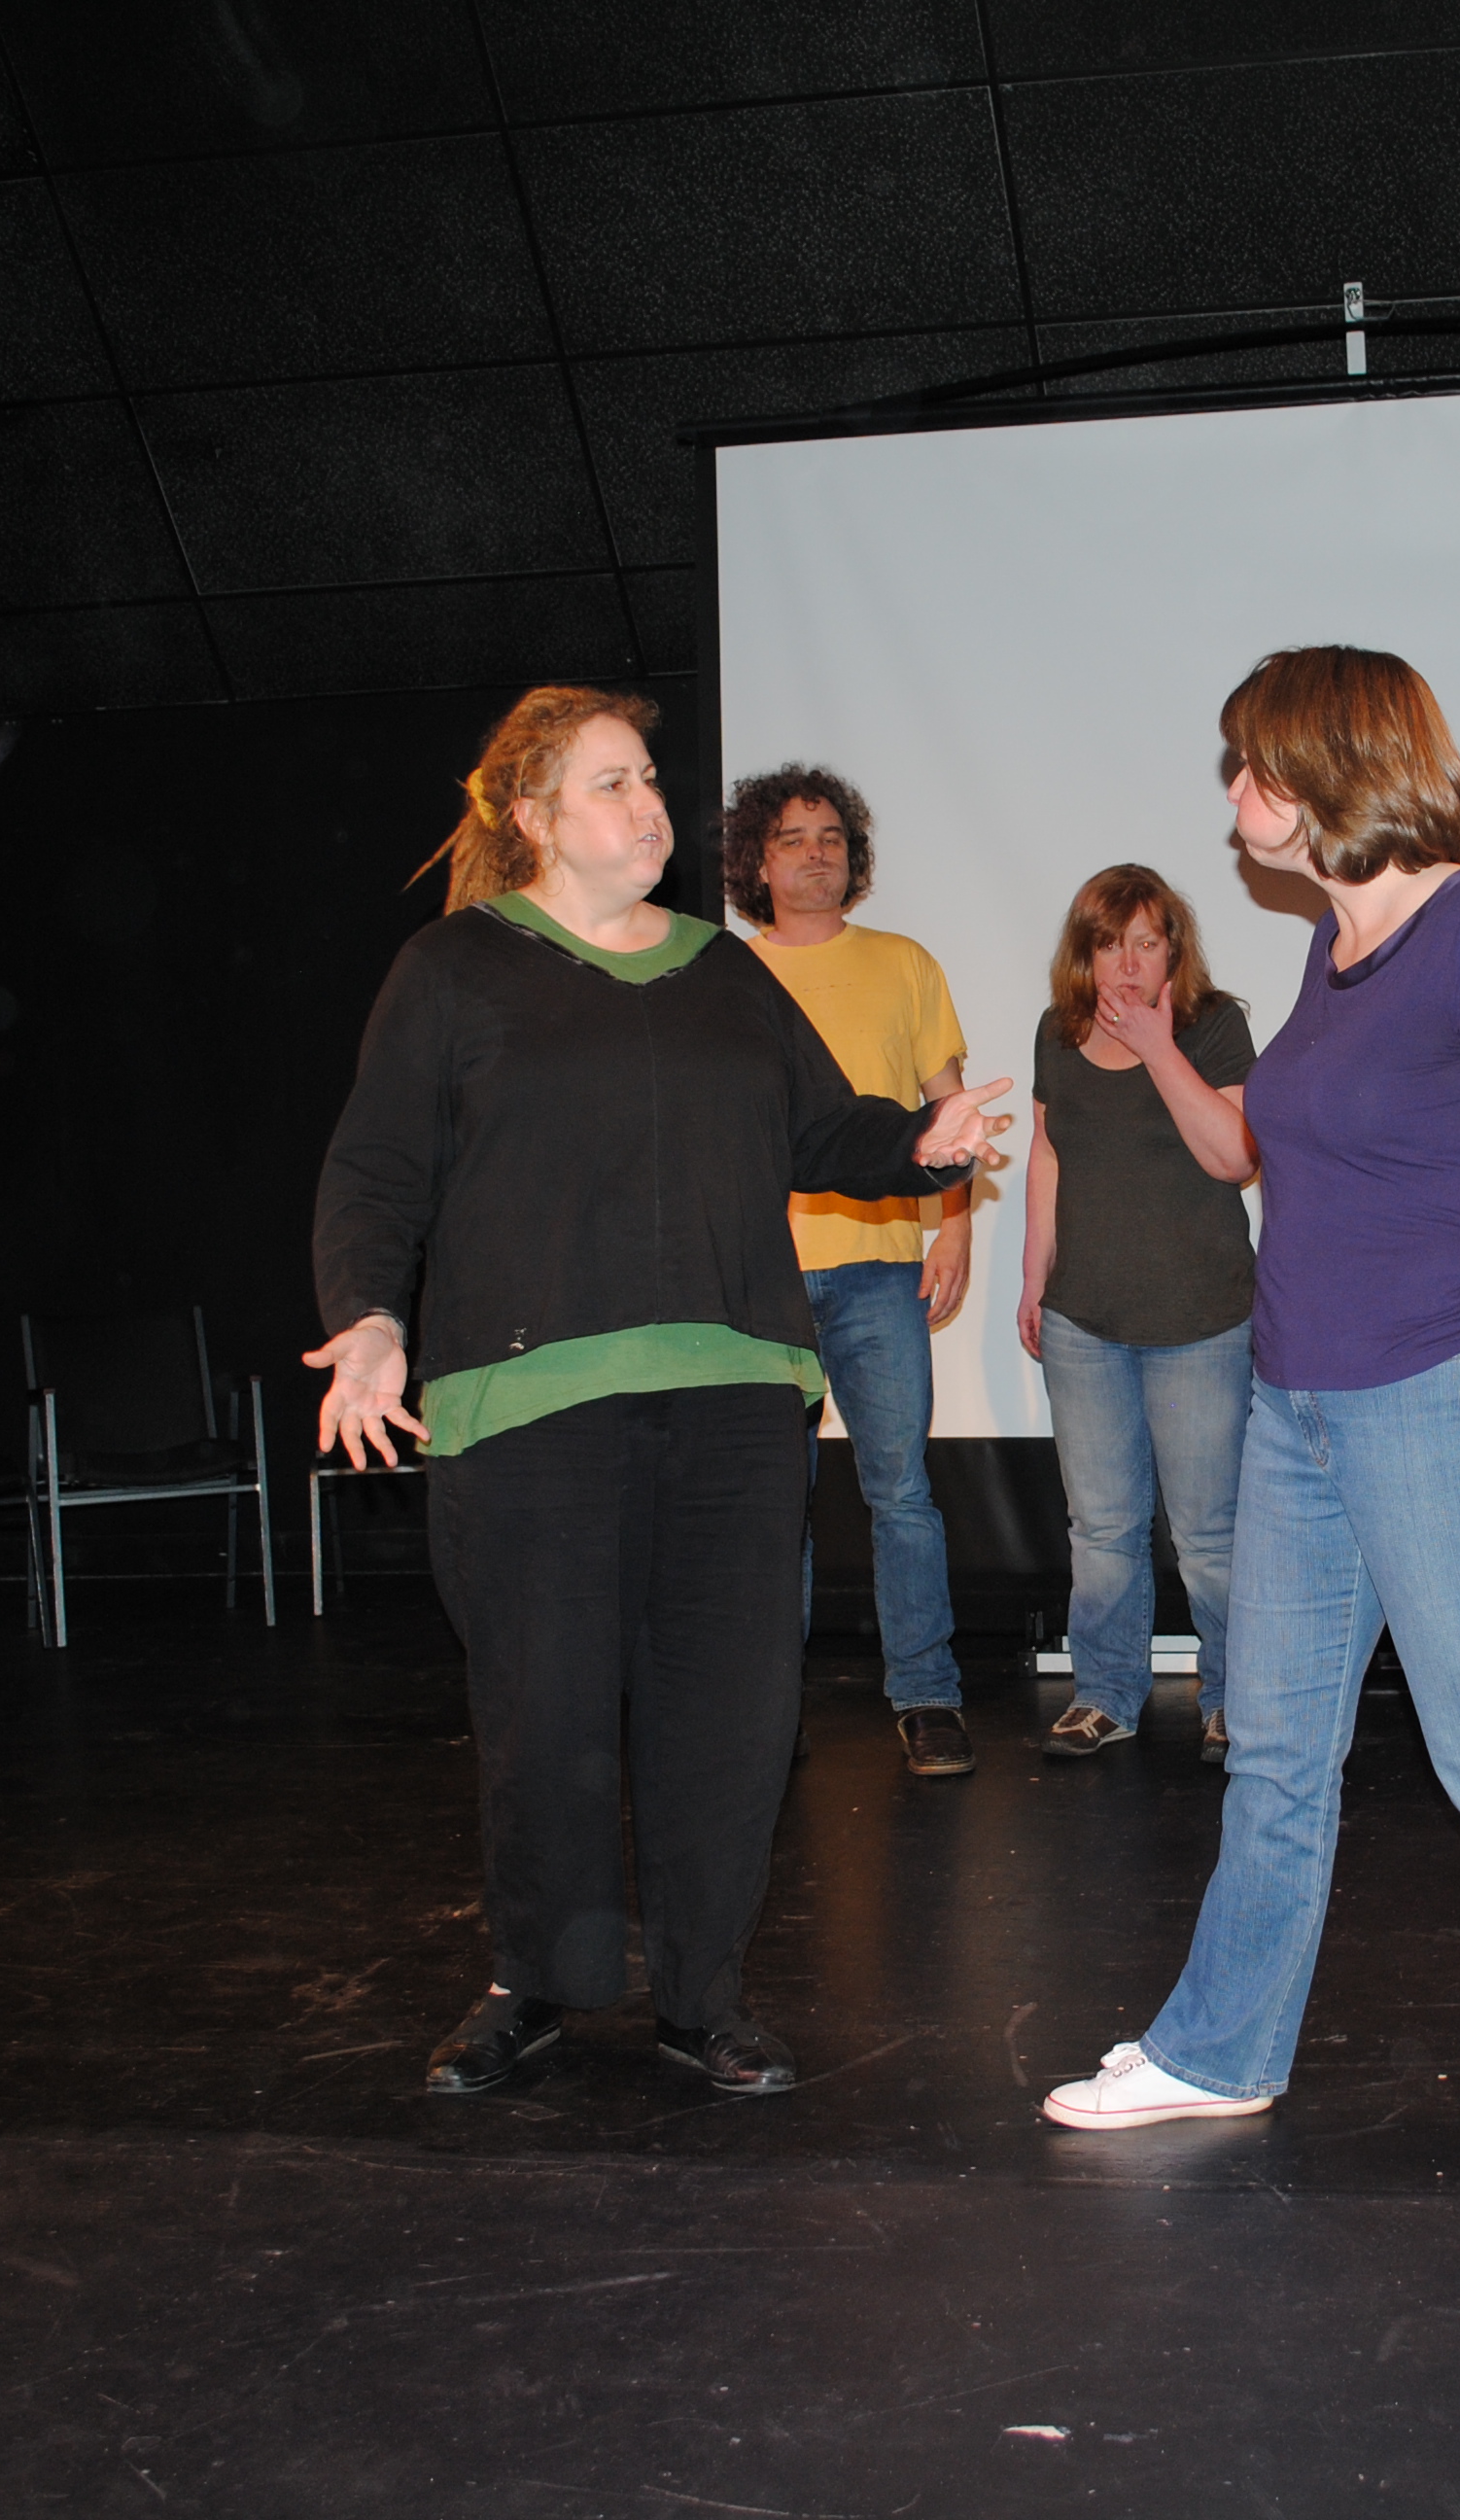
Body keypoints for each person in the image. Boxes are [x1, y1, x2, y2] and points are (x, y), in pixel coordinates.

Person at [307, 688, 1010, 2102]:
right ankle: (534, 1981)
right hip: (527, 1407)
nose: (649, 807)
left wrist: (921, 1147)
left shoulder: (721, 970)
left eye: (647, 779)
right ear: (534, 816)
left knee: (726, 1715)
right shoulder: (454, 969)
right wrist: (370, 1321)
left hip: (735, 1396)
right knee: (545, 1714)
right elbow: (377, 1169)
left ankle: (703, 1996)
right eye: (612, 784)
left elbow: (825, 1128)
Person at [1041, 647, 1460, 2200]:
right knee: (1276, 1756)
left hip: (1443, 1398)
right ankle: (1220, 2050)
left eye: (1256, 764)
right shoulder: (1335, 945)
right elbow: (1276, 1153)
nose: (1238, 791)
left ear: (1335, 767)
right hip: (1295, 1404)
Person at [722, 767, 980, 1780]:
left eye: (830, 836)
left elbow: (951, 1116)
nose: (815, 853)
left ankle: (927, 1699)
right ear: (757, 862)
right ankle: (766, 1713)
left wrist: (954, 1229)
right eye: (791, 839)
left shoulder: (903, 963)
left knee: (901, 1493)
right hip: (762, 1282)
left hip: (880, 1272)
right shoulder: (726, 975)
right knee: (768, 1507)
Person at [1014, 866, 1261, 1762]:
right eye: (1109, 944)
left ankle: (1233, 1700)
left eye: (1146, 943)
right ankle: (1106, 1693)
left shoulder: (1215, 1026)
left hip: (1201, 1322)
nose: (1127, 963)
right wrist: (1035, 1274)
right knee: (1103, 1528)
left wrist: (1160, 1049)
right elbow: (1048, 1153)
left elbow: (1236, 1157)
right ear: (1084, 954)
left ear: (1173, 952)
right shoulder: (1058, 1031)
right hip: (1085, 1319)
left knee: (1209, 1535)